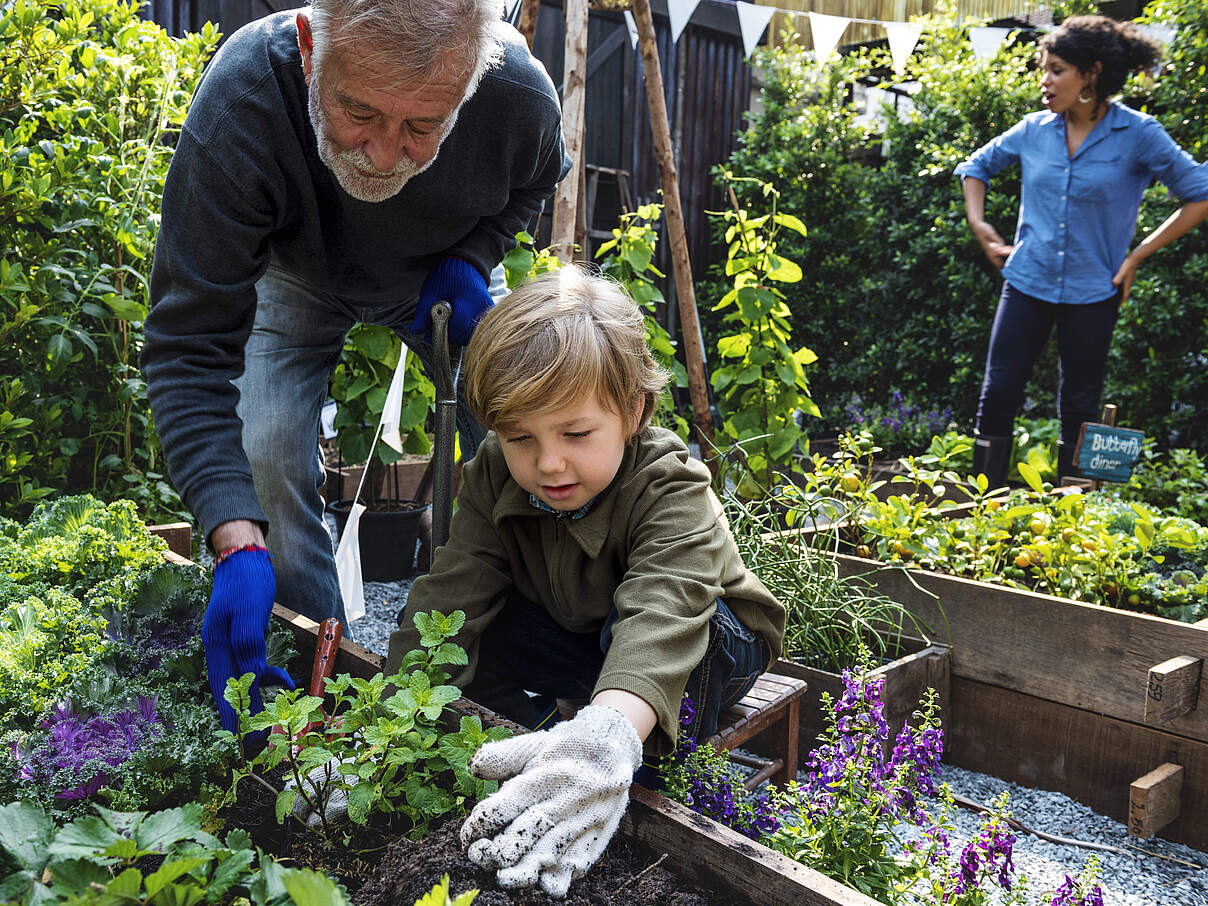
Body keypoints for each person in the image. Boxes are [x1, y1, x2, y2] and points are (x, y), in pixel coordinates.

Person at [140, 0, 569, 731]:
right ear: (311, 49)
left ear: (469, 87)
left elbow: (534, 181)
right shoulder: (245, 99)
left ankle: (538, 653)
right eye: (358, 111)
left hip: (439, 275)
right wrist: (234, 537)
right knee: (265, 466)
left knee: (535, 428)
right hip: (294, 275)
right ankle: (323, 687)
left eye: (422, 128)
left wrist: (472, 259)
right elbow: (188, 346)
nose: (381, 152)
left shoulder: (516, 94)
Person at [382, 266, 785, 896]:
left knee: (685, 643)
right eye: (520, 437)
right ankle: (546, 739)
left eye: (575, 434)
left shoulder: (670, 484)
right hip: (578, 628)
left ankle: (631, 766)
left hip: (702, 637)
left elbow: (663, 609)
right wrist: (385, 729)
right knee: (473, 633)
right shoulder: (496, 473)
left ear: (633, 411)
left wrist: (611, 734)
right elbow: (451, 592)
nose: (547, 462)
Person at [955, 15, 1208, 488]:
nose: (1044, 81)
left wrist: (1136, 256)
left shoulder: (1138, 134)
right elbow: (977, 166)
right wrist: (978, 221)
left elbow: (1200, 193)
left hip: (1095, 289)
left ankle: (1072, 521)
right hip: (1027, 279)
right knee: (999, 393)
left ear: (1090, 74)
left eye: (1056, 70)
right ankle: (981, 512)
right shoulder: (1033, 130)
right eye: (1043, 69)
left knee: (1079, 404)